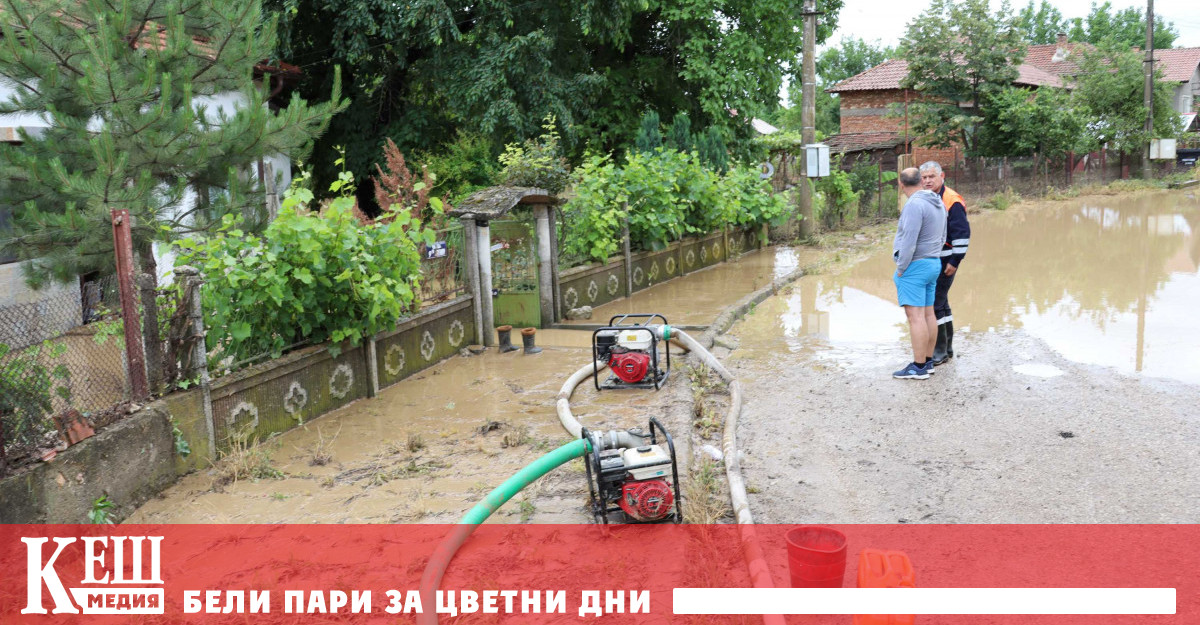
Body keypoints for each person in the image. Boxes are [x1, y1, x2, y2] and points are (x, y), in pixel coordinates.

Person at [892, 167, 947, 380]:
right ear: (920, 181)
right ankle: (928, 361)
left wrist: (901, 268)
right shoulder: (937, 201)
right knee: (928, 314)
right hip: (933, 262)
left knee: (915, 318)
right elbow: (943, 235)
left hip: (915, 265)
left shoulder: (914, 205)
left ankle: (919, 366)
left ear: (901, 184)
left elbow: (909, 240)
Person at [919, 161, 971, 365]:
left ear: (942, 176)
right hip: (937, 257)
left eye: (931, 176)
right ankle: (947, 348)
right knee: (943, 304)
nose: (927, 181)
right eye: (924, 177)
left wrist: (955, 260)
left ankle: (938, 351)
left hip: (946, 258)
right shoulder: (931, 198)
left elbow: (962, 234)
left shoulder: (951, 200)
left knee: (935, 304)